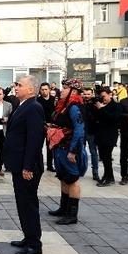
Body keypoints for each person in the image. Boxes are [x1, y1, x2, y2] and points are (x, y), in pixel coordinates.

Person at [4, 75, 46, 254]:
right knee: (23, 203)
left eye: (20, 85)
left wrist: (28, 167)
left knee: (28, 204)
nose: (16, 88)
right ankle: (28, 237)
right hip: (18, 164)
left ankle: (35, 244)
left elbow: (35, 140)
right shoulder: (23, 106)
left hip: (27, 167)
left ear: (31, 89)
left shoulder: (34, 108)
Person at [46, 79, 88, 225]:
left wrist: (74, 151)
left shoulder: (74, 106)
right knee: (63, 177)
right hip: (60, 147)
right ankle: (63, 208)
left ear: (73, 91)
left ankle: (72, 215)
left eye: (65, 88)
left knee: (73, 179)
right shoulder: (64, 105)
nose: (61, 90)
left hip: (68, 147)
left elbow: (79, 129)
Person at [93, 87, 123, 187]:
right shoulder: (99, 105)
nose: (103, 99)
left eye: (104, 96)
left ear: (110, 94)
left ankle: (109, 178)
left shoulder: (116, 106)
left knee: (107, 157)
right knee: (103, 156)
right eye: (101, 97)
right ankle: (107, 176)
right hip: (99, 134)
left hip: (110, 135)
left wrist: (102, 109)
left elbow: (114, 119)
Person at [80, 87, 100, 181]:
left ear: (92, 94)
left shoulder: (96, 103)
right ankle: (80, 169)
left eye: (88, 94)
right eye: (85, 94)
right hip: (81, 131)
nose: (87, 96)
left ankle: (95, 172)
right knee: (80, 151)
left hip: (92, 131)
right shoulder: (80, 103)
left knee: (93, 153)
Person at [36, 82, 57, 172]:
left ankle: (49, 165)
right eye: (42, 89)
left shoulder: (54, 100)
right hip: (41, 126)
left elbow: (56, 113)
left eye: (46, 89)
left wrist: (52, 123)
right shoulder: (37, 100)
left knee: (50, 147)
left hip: (51, 127)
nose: (44, 91)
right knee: (38, 146)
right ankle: (38, 164)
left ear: (49, 90)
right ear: (40, 90)